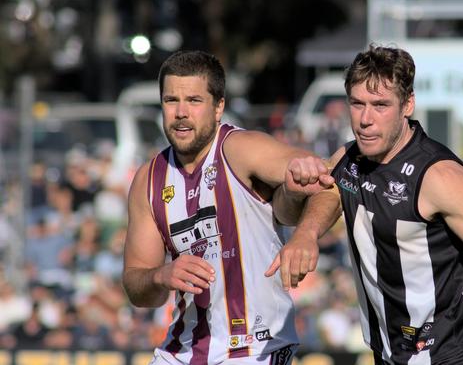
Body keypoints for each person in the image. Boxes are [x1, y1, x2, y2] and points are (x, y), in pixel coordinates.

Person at [285, 45, 463, 364]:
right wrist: (306, 233)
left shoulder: (438, 176)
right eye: (357, 104)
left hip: (453, 352)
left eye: (380, 105)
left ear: (408, 105)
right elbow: (332, 190)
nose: (365, 119)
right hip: (389, 353)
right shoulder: (349, 158)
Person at [122, 50, 334, 365]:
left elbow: (328, 182)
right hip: (181, 352)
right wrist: (160, 276)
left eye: (194, 101)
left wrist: (305, 235)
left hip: (256, 347)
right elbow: (137, 287)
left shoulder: (242, 149)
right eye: (171, 101)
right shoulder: (148, 179)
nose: (181, 112)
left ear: (219, 107)